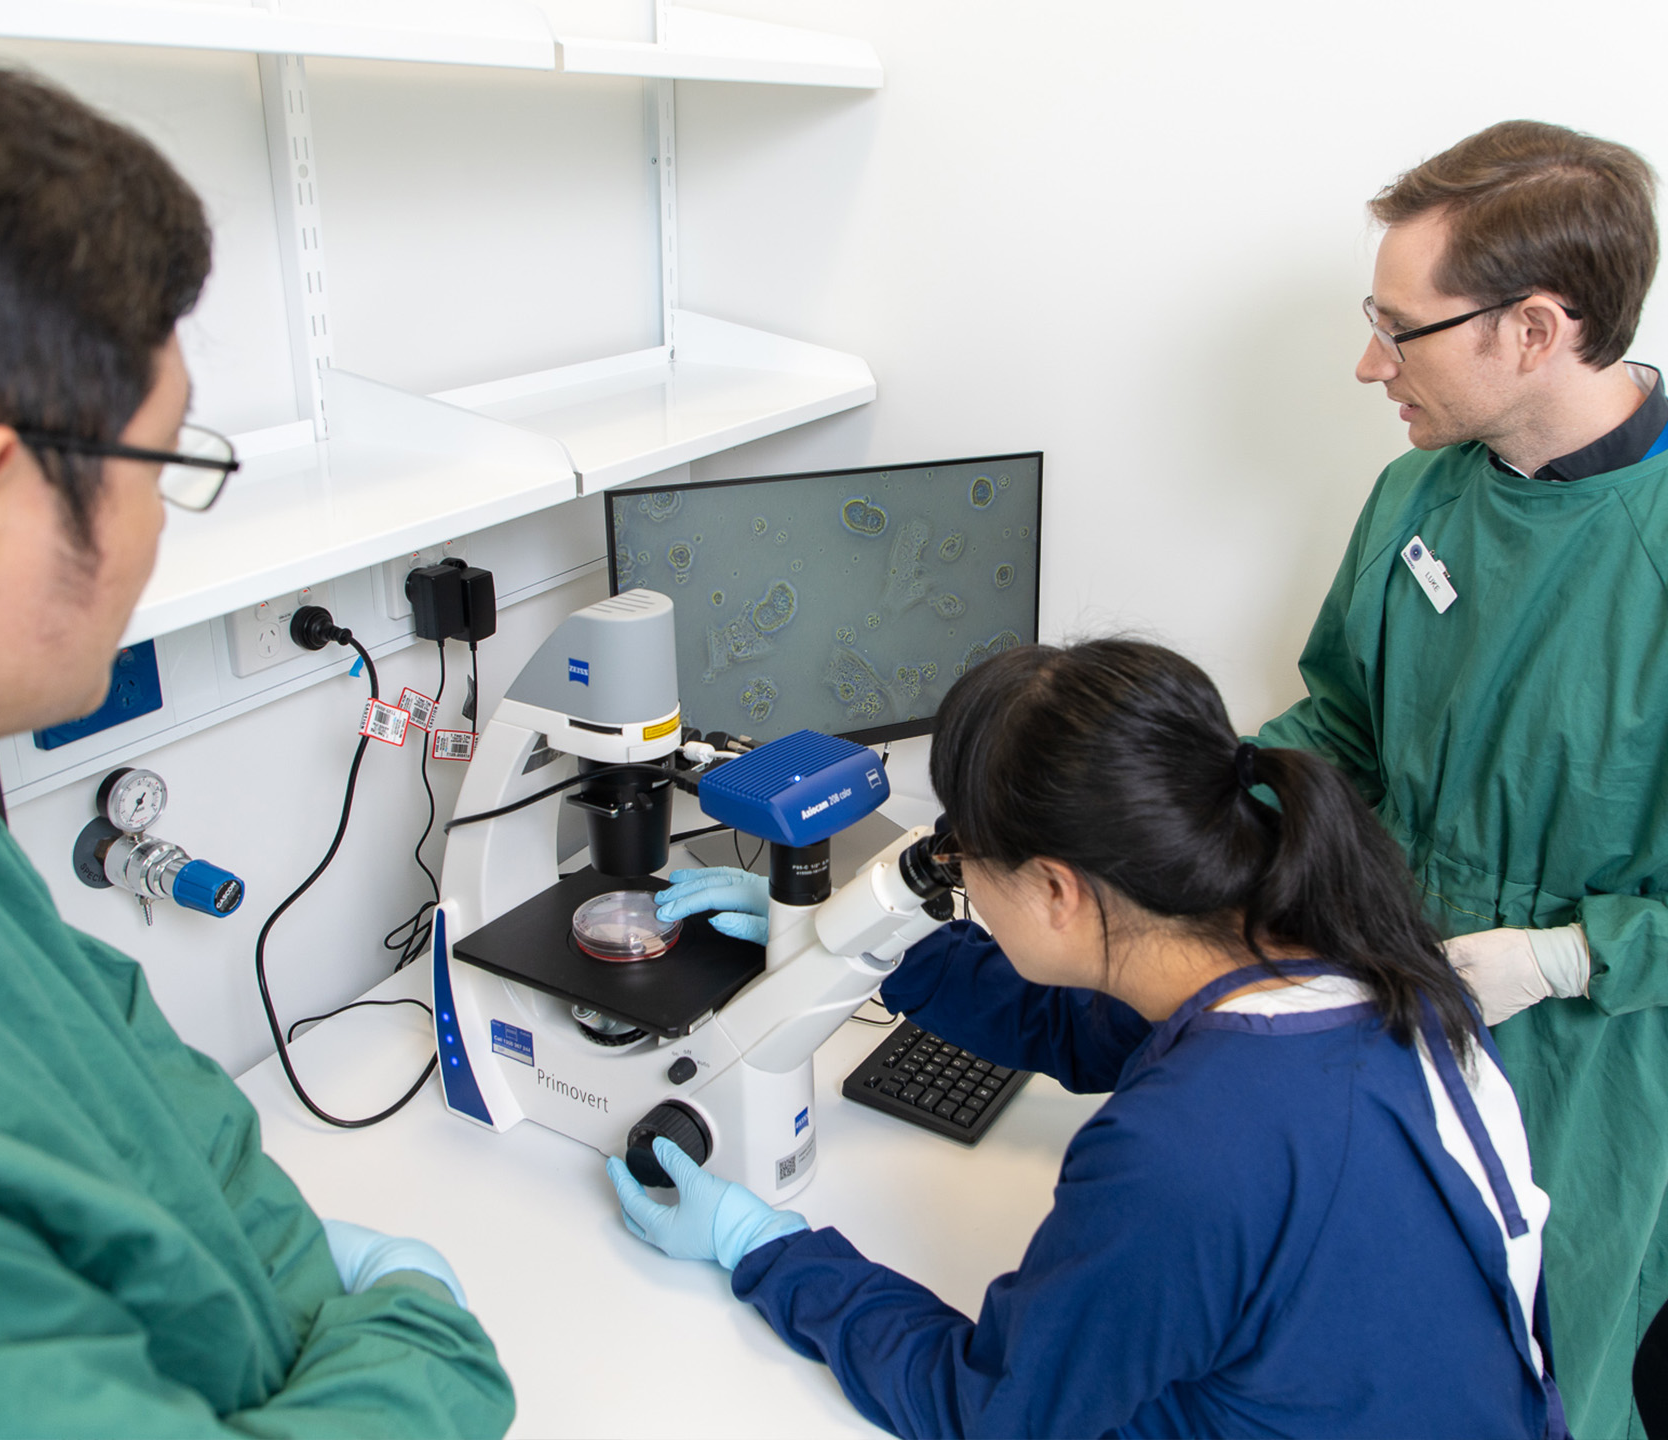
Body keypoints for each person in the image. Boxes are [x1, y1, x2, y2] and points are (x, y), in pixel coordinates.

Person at [0, 5, 513, 1434]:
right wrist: (421, 1346)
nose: (165, 514)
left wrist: (309, 1319)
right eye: (160, 457)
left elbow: (176, 1120)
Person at [619, 639, 1564, 1438]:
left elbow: (992, 1410)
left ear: (1059, 889)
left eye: (961, 859)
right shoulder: (1346, 953)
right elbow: (1079, 1025)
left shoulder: (1184, 1150)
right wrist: (856, 947)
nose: (956, 880)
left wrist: (766, 1250)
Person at [1250, 120, 1665, 1439]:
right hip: (1384, 1002)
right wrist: (1182, 802)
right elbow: (1342, 728)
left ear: (1536, 331)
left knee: (1542, 1380)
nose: (1369, 364)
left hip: (1593, 1075)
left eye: (1401, 329)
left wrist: (1562, 960)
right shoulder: (1417, 498)